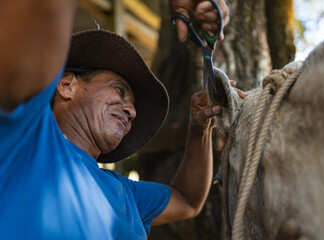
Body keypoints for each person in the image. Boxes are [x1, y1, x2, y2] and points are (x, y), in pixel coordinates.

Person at [0, 0, 244, 239]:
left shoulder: (126, 192)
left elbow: (187, 200)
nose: (132, 111)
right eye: (119, 90)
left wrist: (199, 128)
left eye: (133, 105)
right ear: (66, 85)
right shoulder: (25, 140)